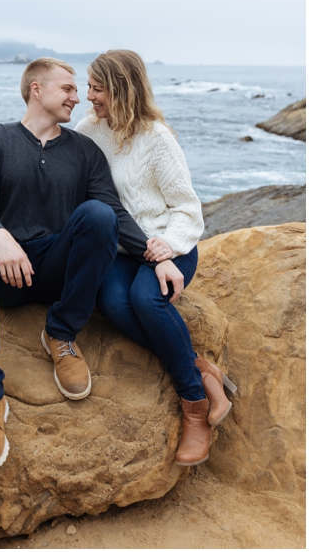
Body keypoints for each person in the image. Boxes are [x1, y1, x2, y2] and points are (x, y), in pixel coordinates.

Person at [0, 57, 155, 475]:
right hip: (9, 274)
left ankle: (61, 334)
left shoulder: (85, 151)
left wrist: (160, 256)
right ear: (37, 89)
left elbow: (114, 213)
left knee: (98, 216)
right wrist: (1, 237)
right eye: (67, 88)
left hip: (56, 272)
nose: (78, 96)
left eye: (77, 88)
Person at [76, 49, 232, 467]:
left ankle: (195, 407)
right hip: (124, 250)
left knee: (147, 301)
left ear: (122, 89)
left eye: (97, 88)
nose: (88, 96)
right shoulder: (88, 132)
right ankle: (202, 368)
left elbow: (187, 207)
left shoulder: (158, 138)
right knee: (110, 302)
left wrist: (166, 247)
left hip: (171, 247)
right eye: (88, 87)